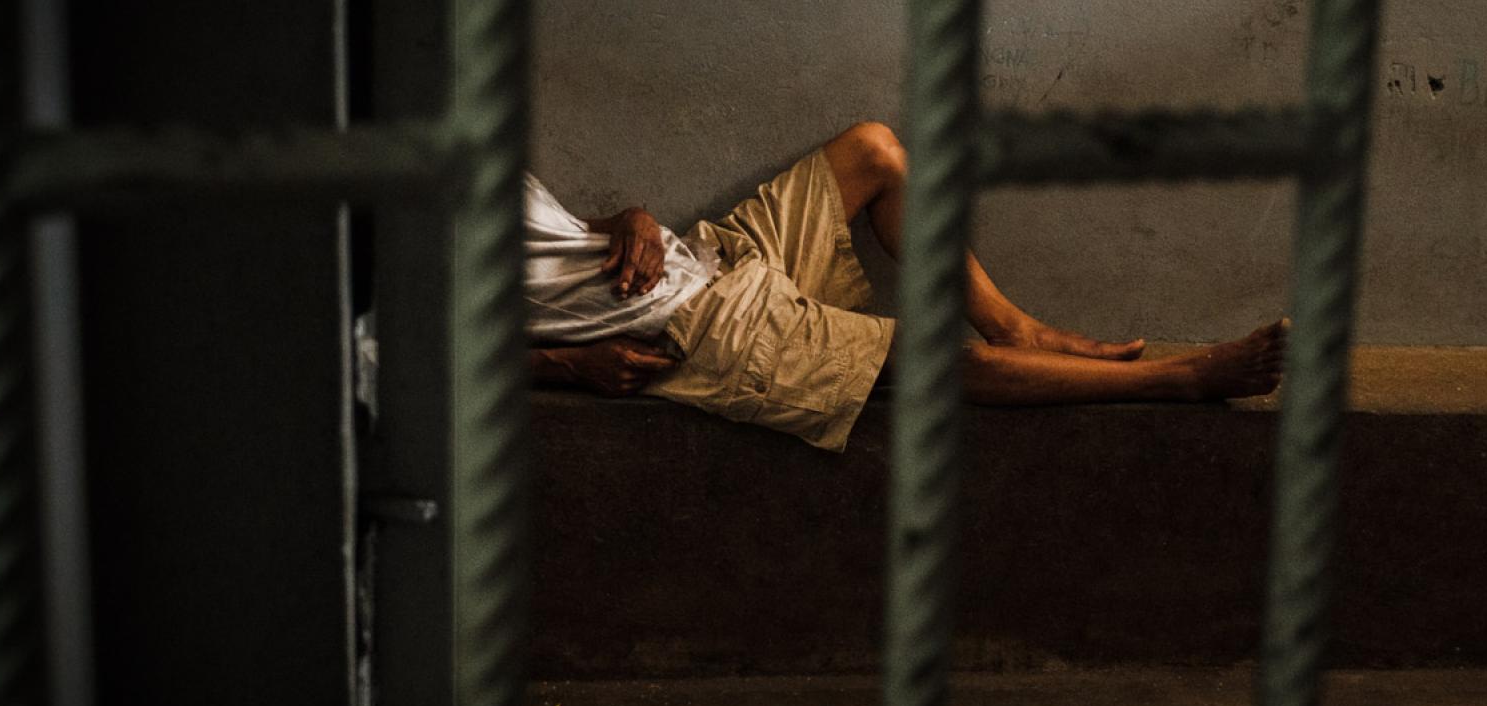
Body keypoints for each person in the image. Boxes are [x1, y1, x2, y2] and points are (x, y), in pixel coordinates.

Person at [524, 122, 1286, 451]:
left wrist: (630, 220)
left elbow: (564, 236)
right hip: (697, 331)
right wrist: (568, 365)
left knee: (875, 150)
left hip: (711, 256)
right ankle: (1179, 380)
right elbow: (449, 358)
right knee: (930, 362)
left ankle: (1014, 327)